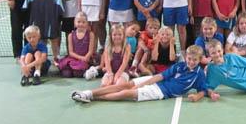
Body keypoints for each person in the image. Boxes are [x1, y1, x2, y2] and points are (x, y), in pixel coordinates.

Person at [71, 45, 208, 103]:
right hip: (154, 81)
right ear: (186, 57)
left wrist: (197, 96)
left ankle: (94, 98)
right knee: (123, 86)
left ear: (200, 60)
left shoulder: (199, 74)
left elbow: (203, 90)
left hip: (161, 92)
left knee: (126, 93)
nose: (191, 62)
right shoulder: (179, 66)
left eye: (195, 60)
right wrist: (141, 84)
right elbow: (160, 76)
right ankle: (87, 93)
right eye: (189, 59)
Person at [22, 0, 64, 65]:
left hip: (52, 23)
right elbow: (25, 8)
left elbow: (61, 12)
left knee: (54, 40)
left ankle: (56, 58)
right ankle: (42, 60)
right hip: (38, 23)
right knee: (40, 41)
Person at [58, 11, 95, 78]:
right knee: (66, 74)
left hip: (86, 58)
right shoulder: (70, 35)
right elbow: (71, 52)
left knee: (78, 73)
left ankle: (86, 70)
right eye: (78, 22)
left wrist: (86, 57)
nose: (81, 24)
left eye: (83, 22)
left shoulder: (90, 34)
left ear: (87, 23)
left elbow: (90, 51)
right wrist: (81, 58)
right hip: (74, 59)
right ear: (75, 23)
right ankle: (74, 69)